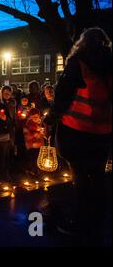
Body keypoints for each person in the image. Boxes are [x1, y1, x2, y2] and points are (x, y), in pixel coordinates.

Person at [44, 27, 112, 245]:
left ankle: (81, 223)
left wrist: (50, 119)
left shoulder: (78, 63)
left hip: (77, 131)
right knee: (98, 177)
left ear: (82, 43)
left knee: (81, 179)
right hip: (103, 133)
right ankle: (98, 222)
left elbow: (63, 96)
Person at [23, 108, 45, 177]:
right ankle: (31, 172)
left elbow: (43, 133)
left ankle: (37, 171)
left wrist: (42, 132)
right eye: (34, 117)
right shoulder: (28, 124)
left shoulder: (40, 123)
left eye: (37, 117)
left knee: (38, 159)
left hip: (39, 144)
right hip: (32, 145)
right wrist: (35, 134)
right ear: (30, 116)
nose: (36, 118)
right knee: (33, 159)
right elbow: (27, 136)